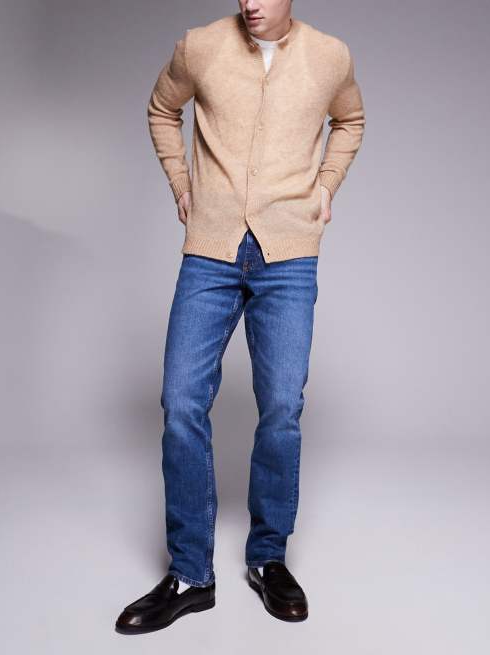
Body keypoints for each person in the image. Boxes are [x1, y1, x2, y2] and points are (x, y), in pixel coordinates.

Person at [115, 0, 365, 633]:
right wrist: (182, 183)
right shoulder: (199, 45)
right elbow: (162, 109)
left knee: (281, 406)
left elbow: (351, 120)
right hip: (211, 250)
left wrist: (326, 186)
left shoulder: (330, 55)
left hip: (289, 255)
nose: (250, 3)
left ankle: (267, 558)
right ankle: (190, 574)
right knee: (180, 402)